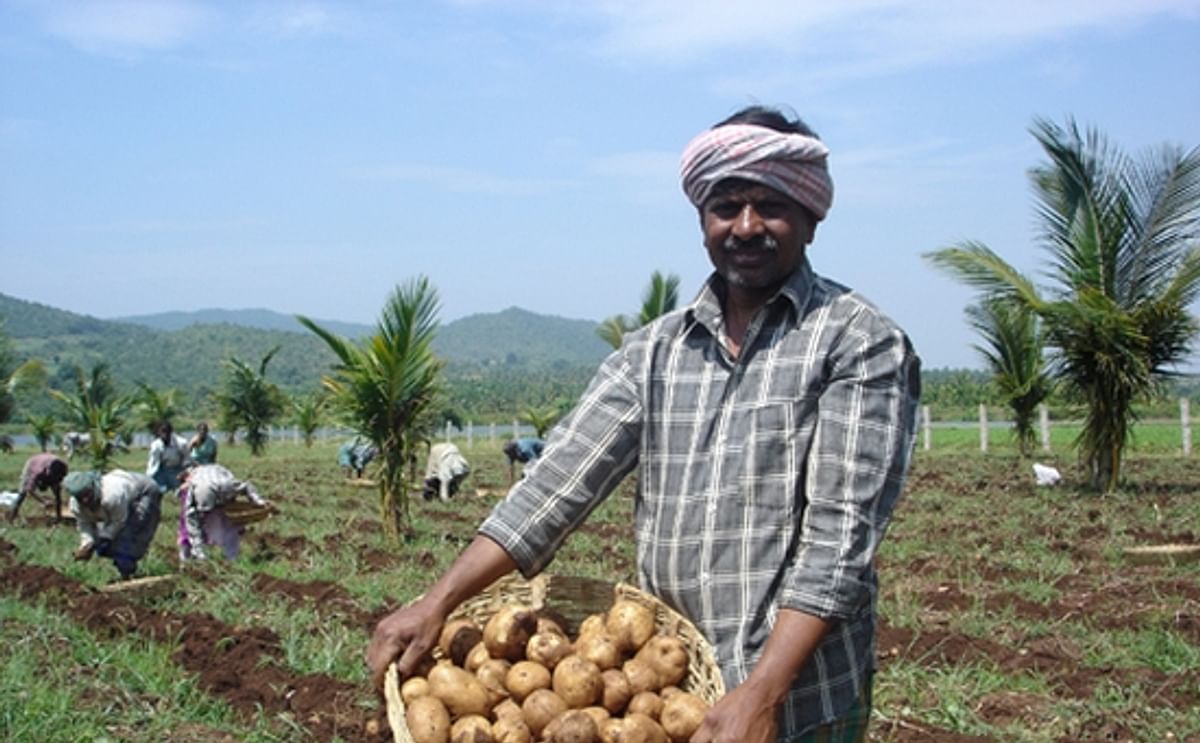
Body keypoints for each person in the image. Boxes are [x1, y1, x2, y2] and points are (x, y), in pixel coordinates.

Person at [367, 106, 922, 741]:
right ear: (702, 220)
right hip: (664, 694)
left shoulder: (859, 342)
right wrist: (438, 602)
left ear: (810, 217)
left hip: (798, 698)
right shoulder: (654, 351)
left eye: (770, 205)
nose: (745, 226)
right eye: (726, 205)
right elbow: (554, 485)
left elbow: (838, 540)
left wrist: (764, 692)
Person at [65, 470, 163, 580]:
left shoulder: (111, 495)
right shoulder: (76, 506)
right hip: (123, 501)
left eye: (87, 494)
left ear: (92, 487)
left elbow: (118, 521)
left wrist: (103, 539)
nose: (85, 500)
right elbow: (85, 524)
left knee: (129, 535)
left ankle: (128, 571)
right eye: (80, 497)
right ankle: (125, 570)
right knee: (106, 547)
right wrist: (87, 545)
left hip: (144, 492)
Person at [176, 463, 271, 562]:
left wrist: (259, 502)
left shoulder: (201, 480)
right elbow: (246, 486)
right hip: (220, 489)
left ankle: (203, 554)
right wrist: (259, 501)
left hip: (210, 492)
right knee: (226, 523)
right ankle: (228, 556)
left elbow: (190, 516)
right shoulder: (213, 472)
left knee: (200, 521)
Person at [8, 453, 69, 522]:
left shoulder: (62, 469)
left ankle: (58, 517)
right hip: (33, 463)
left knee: (57, 494)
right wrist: (43, 501)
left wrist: (58, 512)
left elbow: (58, 491)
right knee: (22, 493)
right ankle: (12, 517)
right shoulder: (37, 472)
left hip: (48, 462)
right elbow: (29, 490)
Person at [146, 420, 191, 494]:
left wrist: (184, 473)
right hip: (163, 471)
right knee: (158, 490)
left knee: (182, 490)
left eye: (166, 432)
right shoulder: (156, 445)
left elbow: (188, 460)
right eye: (162, 432)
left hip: (179, 470)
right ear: (158, 433)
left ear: (171, 432)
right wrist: (148, 479)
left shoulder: (181, 443)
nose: (164, 434)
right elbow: (152, 465)